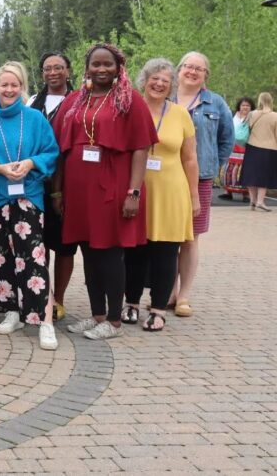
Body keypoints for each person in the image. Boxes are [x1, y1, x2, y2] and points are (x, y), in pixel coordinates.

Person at [53, 44, 157, 341]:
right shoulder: (74, 101)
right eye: (95, 64)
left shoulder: (129, 101)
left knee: (110, 255)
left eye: (107, 64)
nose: (101, 69)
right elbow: (62, 150)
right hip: (79, 189)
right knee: (88, 252)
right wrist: (58, 192)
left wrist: (133, 192)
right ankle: (97, 314)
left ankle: (113, 320)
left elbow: (140, 148)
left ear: (118, 67)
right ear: (86, 68)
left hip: (114, 187)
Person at [0, 62, 60, 350]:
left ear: (22, 87)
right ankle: (13, 311)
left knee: (33, 258)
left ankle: (45, 321)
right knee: (0, 257)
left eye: (14, 85)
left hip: (27, 197)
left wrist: (30, 163)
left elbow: (50, 152)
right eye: (4, 85)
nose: (9, 89)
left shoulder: (35, 118)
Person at [124, 59, 198, 333]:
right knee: (134, 251)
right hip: (137, 190)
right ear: (144, 80)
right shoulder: (130, 109)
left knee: (166, 251)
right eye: (154, 78)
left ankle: (157, 309)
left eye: (165, 81)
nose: (158, 84)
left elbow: (190, 159)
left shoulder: (180, 114)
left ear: (171, 87)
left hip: (170, 191)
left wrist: (195, 197)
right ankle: (130, 303)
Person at [171, 51, 234, 317]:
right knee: (164, 237)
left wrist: (212, 166)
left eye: (199, 68)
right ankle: (167, 291)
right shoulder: (163, 98)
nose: (192, 71)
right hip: (164, 177)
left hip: (200, 178)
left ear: (205, 75)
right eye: (188, 66)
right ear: (179, 70)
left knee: (190, 238)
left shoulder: (215, 103)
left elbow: (226, 139)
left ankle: (184, 295)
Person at [27, 52, 75, 321]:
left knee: (65, 244)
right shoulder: (34, 101)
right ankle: (45, 294)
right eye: (47, 68)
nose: (53, 72)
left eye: (59, 68)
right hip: (37, 181)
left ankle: (61, 297)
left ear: (68, 71)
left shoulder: (79, 100)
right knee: (39, 243)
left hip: (67, 180)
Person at [242, 92, 277, 211]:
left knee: (251, 174)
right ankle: (260, 201)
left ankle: (252, 200)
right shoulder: (275, 116)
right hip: (269, 148)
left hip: (252, 146)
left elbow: (245, 127)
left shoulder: (252, 114)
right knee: (264, 175)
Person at [221, 97, 254, 202]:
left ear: (251, 107)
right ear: (239, 106)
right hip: (232, 146)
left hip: (246, 147)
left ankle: (246, 194)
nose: (245, 107)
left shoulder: (253, 117)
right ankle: (227, 191)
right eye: (243, 105)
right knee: (228, 169)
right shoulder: (232, 115)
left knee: (243, 170)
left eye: (247, 105)